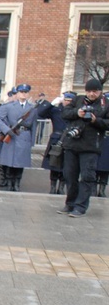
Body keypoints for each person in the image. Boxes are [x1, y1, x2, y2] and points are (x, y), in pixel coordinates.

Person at [57, 78, 109, 217]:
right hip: (72, 144)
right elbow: (64, 113)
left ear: (100, 91)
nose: (92, 94)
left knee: (87, 177)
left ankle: (80, 207)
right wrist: (77, 113)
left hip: (91, 146)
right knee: (69, 175)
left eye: (95, 91)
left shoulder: (105, 104)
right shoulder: (78, 100)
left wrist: (95, 120)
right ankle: (70, 204)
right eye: (89, 91)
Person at [0, 83, 37, 191]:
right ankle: (9, 182)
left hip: (24, 136)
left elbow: (34, 126)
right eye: (21, 92)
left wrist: (32, 141)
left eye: (25, 92)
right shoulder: (8, 106)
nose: (23, 94)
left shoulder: (31, 108)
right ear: (17, 94)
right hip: (11, 135)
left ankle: (17, 183)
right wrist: (6, 130)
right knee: (9, 161)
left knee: (20, 162)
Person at [39, 91, 74, 194]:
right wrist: (50, 104)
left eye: (69, 101)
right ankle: (53, 187)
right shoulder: (56, 110)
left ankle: (61, 187)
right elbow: (41, 113)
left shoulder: (74, 112)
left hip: (69, 140)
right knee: (54, 164)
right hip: (56, 139)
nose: (67, 103)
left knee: (66, 164)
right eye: (66, 100)